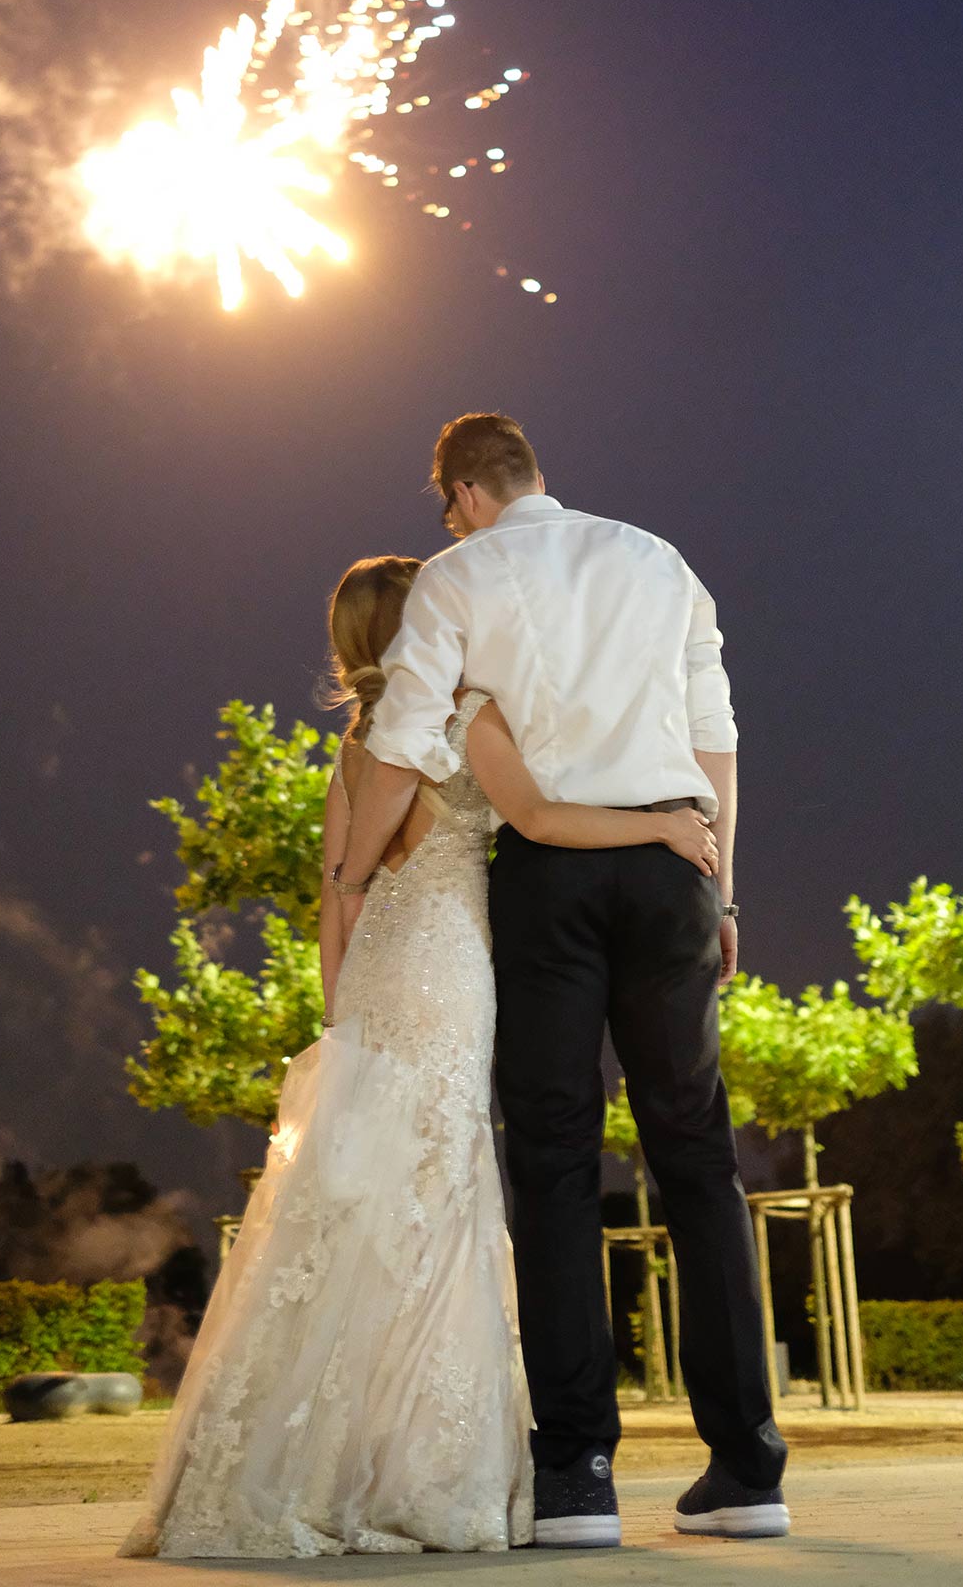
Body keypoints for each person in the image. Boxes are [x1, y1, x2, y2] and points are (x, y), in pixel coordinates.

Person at [120, 554, 719, 1561]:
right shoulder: (457, 719)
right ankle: (417, 1473)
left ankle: (312, 1458)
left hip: (375, 983)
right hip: (448, 968)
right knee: (438, 1199)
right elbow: (533, 817)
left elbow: (335, 897)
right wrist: (660, 822)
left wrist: (339, 1025)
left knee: (358, 1201)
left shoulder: (356, 747)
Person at [338, 413, 789, 1545]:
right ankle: (746, 1469)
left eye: (446, 505)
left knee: (551, 1161)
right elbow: (714, 733)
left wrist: (350, 875)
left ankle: (578, 1474)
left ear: (461, 495)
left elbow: (400, 740)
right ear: (533, 475)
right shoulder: (658, 560)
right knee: (695, 1159)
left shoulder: (456, 574)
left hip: (549, 878)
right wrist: (721, 889)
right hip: (674, 861)